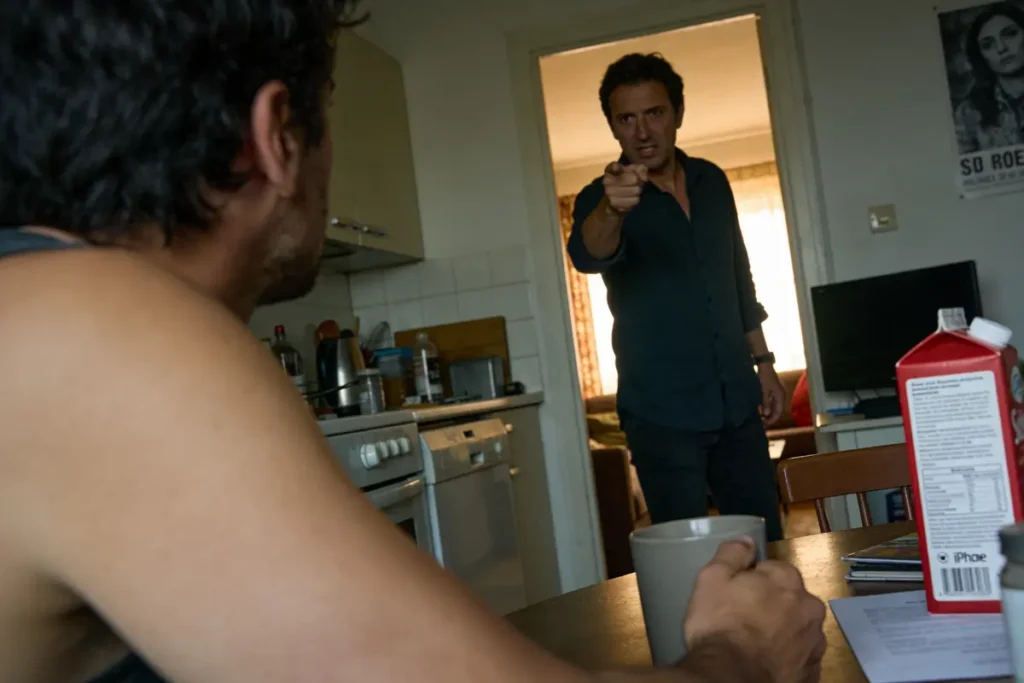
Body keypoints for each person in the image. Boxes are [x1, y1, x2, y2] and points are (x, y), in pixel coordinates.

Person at [0, 3, 826, 682]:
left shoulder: (53, 309)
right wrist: (744, 655)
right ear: (278, 135)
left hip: (730, 392)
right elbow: (591, 248)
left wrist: (759, 359)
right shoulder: (105, 338)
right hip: (666, 404)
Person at [567, 53, 786, 542]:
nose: (643, 131)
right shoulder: (601, 197)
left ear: (678, 113)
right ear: (613, 127)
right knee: (681, 561)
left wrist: (765, 363)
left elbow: (739, 278)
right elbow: (587, 253)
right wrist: (612, 210)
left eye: (654, 113)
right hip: (661, 416)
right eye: (627, 119)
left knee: (763, 544)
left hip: (736, 404)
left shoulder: (713, 181)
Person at [955, 2, 1024, 153]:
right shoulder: (968, 110)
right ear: (981, 56)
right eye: (988, 45)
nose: (1001, 48)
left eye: (1010, 34)